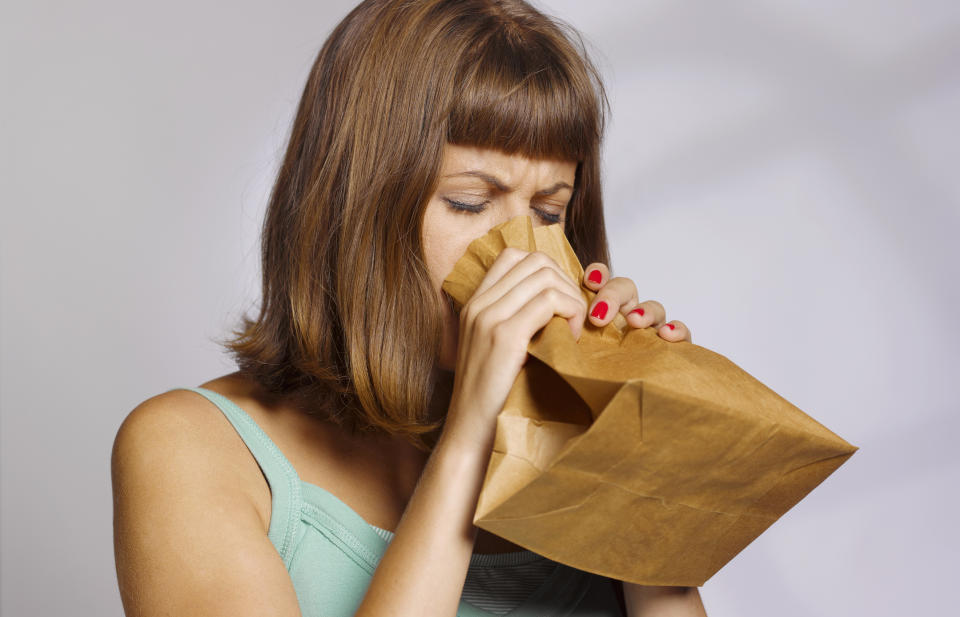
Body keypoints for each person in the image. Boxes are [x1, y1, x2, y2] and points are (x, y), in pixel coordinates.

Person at [111, 1, 708, 616]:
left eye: (548, 213)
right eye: (471, 203)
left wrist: (642, 468)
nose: (524, 254)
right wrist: (468, 439)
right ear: (356, 205)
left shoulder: (572, 448)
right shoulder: (189, 447)